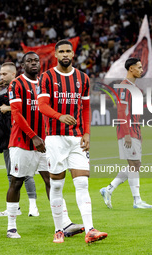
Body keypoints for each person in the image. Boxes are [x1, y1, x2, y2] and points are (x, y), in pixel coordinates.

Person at [6, 51, 84, 238]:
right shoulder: (16, 84)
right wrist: (33, 136)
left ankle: (65, 223)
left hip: (46, 141)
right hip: (22, 142)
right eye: (29, 61)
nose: (33, 63)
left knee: (52, 180)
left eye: (36, 60)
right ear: (22, 65)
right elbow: (16, 114)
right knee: (17, 182)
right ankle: (11, 227)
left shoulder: (45, 81)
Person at [38, 40, 108, 243]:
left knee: (82, 183)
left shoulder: (82, 78)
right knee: (57, 186)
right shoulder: (47, 77)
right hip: (55, 138)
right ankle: (59, 229)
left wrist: (87, 134)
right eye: (62, 51)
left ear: (73, 53)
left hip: (77, 138)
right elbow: (42, 105)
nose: (65, 54)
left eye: (69, 51)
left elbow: (86, 108)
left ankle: (90, 229)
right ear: (56, 54)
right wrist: (59, 116)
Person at [0, 62, 40, 217]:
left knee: (27, 173)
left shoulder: (24, 87)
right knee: (11, 173)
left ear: (13, 74)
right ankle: (15, 208)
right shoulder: (3, 91)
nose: (1, 77)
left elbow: (32, 105)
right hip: (7, 137)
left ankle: (33, 206)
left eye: (4, 74)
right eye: (0, 74)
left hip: (24, 135)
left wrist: (9, 108)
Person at [100, 58, 152, 210]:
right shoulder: (124, 87)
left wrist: (138, 132)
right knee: (134, 164)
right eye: (139, 67)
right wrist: (127, 133)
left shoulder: (133, 87)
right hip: (127, 131)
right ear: (131, 69)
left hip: (134, 130)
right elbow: (121, 111)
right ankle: (137, 201)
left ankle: (109, 189)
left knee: (135, 164)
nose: (141, 70)